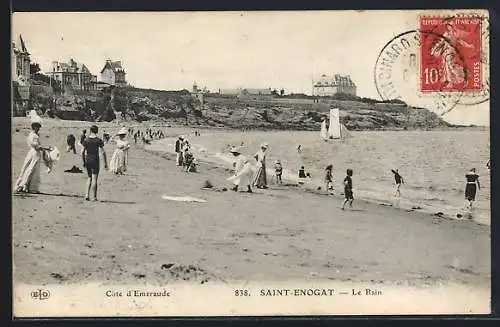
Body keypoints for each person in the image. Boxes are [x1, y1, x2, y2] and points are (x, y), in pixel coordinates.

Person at [14, 116, 53, 193]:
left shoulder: (32, 135)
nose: (38, 128)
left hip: (32, 153)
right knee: (30, 169)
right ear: (34, 127)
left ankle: (27, 187)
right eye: (37, 127)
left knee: (30, 169)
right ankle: (22, 185)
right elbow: (37, 147)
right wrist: (46, 148)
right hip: (35, 153)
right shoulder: (34, 136)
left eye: (38, 127)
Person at [82, 125, 108, 201]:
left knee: (89, 177)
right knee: (94, 178)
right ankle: (94, 197)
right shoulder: (98, 140)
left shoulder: (86, 140)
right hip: (95, 160)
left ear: (90, 131)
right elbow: (103, 152)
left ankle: (86, 195)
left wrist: (84, 161)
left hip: (88, 159)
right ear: (97, 131)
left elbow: (82, 152)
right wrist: (105, 163)